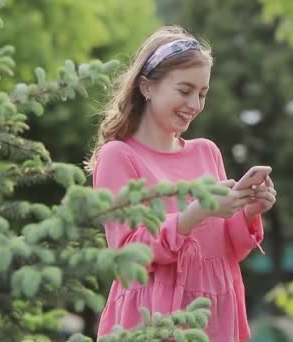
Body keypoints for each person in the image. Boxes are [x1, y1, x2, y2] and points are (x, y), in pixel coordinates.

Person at [87, 26, 277, 342]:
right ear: (147, 87)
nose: (195, 104)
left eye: (202, 93)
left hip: (217, 309)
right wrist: (192, 216)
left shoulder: (207, 151)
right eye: (184, 90)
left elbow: (225, 248)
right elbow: (126, 256)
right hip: (153, 317)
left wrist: (248, 210)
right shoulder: (118, 156)